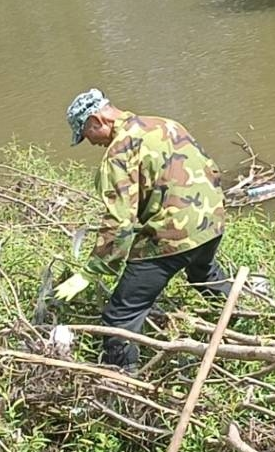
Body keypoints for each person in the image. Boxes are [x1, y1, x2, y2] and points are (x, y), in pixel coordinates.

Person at [58, 89, 231, 372]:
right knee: (203, 273)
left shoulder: (118, 153)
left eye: (86, 134)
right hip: (212, 224)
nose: (90, 142)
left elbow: (120, 224)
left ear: (96, 120)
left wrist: (93, 270)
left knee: (120, 315)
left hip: (173, 238)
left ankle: (122, 382)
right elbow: (211, 169)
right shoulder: (166, 124)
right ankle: (241, 318)